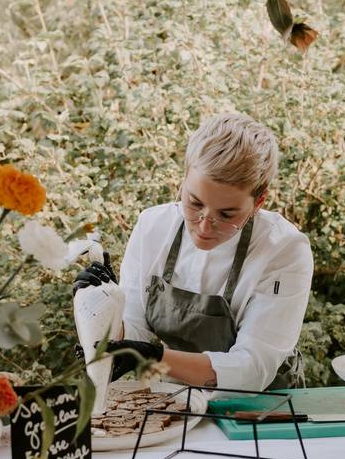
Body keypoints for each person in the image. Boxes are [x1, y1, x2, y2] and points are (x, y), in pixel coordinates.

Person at [73, 113, 313, 391]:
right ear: (185, 178)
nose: (204, 225)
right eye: (194, 202)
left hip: (261, 408)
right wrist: (101, 304)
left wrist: (153, 357)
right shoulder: (153, 228)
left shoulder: (284, 249)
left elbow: (253, 369)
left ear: (258, 202)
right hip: (175, 400)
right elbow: (133, 329)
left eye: (226, 214)